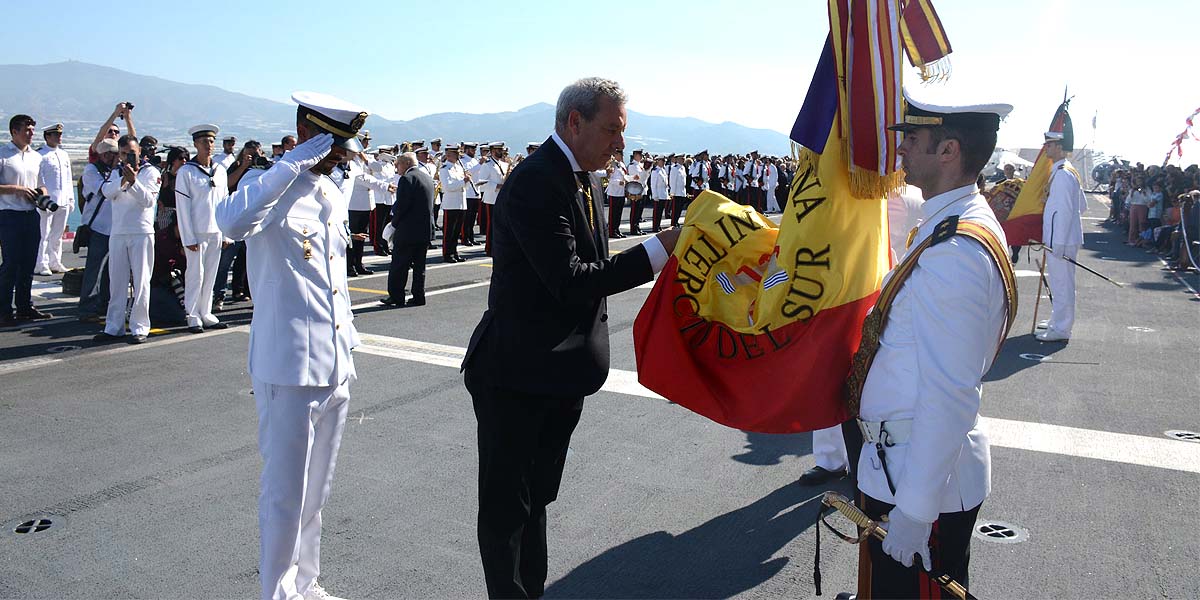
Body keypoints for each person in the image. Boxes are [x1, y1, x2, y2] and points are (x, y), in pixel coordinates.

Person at [461, 77, 681, 599]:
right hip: (517, 375)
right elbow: (572, 279)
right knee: (506, 510)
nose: (620, 145)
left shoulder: (584, 178)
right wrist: (660, 249)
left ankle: (530, 591)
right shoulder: (538, 180)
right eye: (612, 130)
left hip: (555, 377)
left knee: (536, 500)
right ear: (574, 122)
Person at [844, 93, 1017, 598]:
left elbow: (951, 392)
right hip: (901, 469)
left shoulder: (956, 249)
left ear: (949, 151)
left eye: (912, 138)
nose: (901, 149)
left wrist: (916, 511)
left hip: (921, 487)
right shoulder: (951, 225)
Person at [216, 91, 366, 600]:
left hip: (334, 362)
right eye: (332, 144)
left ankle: (306, 581)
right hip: (288, 366)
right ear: (308, 134)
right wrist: (288, 164)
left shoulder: (327, 191)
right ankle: (276, 593)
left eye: (343, 146)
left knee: (316, 492)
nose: (340, 155)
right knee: (285, 493)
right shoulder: (269, 186)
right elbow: (230, 223)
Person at [94, 135, 160, 344]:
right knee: (117, 282)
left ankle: (140, 327)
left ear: (139, 151)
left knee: (141, 282)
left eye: (131, 153)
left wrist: (133, 182)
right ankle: (114, 327)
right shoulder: (116, 172)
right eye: (123, 153)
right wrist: (124, 179)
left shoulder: (151, 172)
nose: (127, 157)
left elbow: (148, 201)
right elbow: (106, 192)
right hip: (119, 232)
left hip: (141, 231)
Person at [0, 114, 54, 326]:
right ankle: (4, 310)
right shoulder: (3, 154)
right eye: (27, 130)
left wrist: (42, 194)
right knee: (11, 264)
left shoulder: (36, 157)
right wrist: (17, 189)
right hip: (9, 214)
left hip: (31, 214)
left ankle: (24, 306)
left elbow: (42, 184)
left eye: (32, 130)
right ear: (14, 131)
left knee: (28, 263)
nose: (31, 134)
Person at [175, 124, 230, 333]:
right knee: (195, 274)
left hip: (216, 231)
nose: (209, 145)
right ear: (195, 144)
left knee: (210, 274)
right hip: (196, 232)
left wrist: (226, 233)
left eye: (211, 141)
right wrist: (188, 238)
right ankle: (192, 314)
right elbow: (183, 208)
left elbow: (225, 203)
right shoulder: (187, 172)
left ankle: (205, 312)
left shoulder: (220, 171)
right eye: (204, 142)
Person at [1037, 123, 1086, 343]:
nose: (1045, 148)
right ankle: (1058, 318)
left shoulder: (1064, 175)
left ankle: (1062, 328)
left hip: (1061, 240)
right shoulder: (1064, 171)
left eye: (1049, 144)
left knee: (1062, 283)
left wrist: (1057, 241)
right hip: (1062, 237)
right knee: (1058, 282)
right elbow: (1081, 206)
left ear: (1058, 146)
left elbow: (1066, 211)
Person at [381, 152, 435, 307]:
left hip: (408, 230)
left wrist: (393, 225)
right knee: (419, 266)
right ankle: (419, 296)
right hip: (424, 230)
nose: (396, 167)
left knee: (399, 265)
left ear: (405, 163)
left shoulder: (406, 179)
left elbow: (403, 206)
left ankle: (396, 296)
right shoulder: (426, 177)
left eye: (397, 164)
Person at [77, 138, 119, 323]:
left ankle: (104, 303)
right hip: (98, 227)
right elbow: (103, 190)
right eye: (109, 153)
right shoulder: (91, 170)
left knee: (112, 270)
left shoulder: (118, 170)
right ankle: (87, 306)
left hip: (116, 227)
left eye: (115, 153)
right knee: (94, 269)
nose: (112, 157)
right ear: (102, 154)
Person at [36, 123, 73, 274]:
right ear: (47, 136)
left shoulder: (63, 154)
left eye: (60, 134)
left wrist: (71, 199)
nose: (59, 137)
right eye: (56, 135)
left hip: (63, 200)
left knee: (57, 235)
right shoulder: (40, 155)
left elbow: (68, 179)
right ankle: (41, 263)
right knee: (43, 234)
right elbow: (38, 179)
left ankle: (55, 261)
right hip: (47, 201)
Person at [439, 145, 468, 263]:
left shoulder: (459, 167)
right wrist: (463, 181)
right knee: (449, 231)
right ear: (449, 155)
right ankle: (447, 253)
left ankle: (454, 252)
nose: (458, 156)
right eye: (455, 154)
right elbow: (447, 187)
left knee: (456, 231)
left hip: (460, 203)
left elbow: (463, 186)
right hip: (451, 204)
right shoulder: (445, 169)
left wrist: (465, 181)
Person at [604, 153, 627, 238]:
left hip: (621, 192)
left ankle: (616, 229)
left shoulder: (622, 165)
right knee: (613, 214)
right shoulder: (612, 164)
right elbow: (610, 179)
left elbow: (625, 176)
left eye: (621, 155)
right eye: (619, 154)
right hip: (614, 192)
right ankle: (611, 231)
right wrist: (619, 182)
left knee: (618, 213)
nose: (621, 156)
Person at [669, 153, 689, 226]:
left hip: (682, 192)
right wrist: (672, 193)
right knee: (675, 209)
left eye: (684, 159)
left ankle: (676, 222)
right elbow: (673, 181)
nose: (683, 160)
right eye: (681, 158)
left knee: (679, 209)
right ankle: (673, 223)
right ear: (677, 159)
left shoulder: (683, 168)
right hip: (676, 192)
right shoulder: (675, 168)